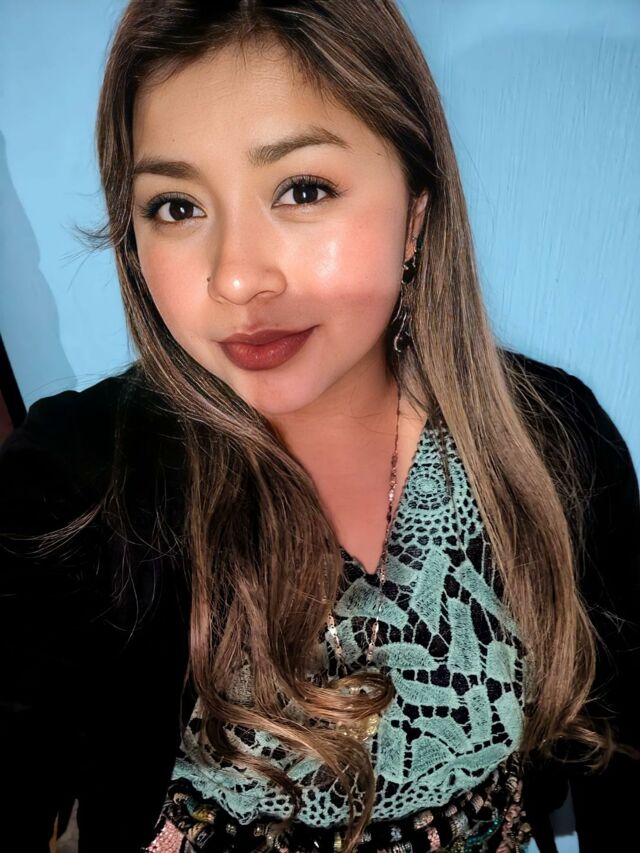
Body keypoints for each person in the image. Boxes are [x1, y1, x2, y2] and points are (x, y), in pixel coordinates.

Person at [0, 2, 638, 852]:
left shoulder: (555, 442)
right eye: (176, 206)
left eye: (302, 190)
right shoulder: (74, 483)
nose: (236, 278)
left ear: (416, 210)